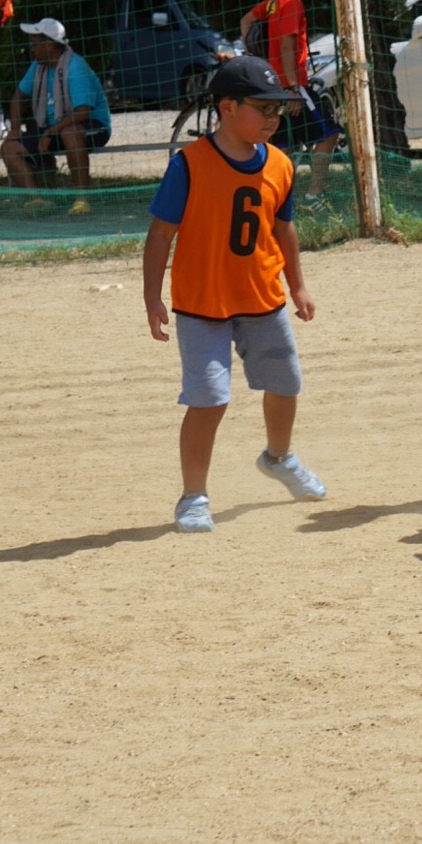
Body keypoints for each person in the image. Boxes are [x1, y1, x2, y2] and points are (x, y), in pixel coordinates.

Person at [142, 56, 327, 534]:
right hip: (202, 304)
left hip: (262, 298)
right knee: (208, 399)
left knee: (286, 383)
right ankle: (193, 497)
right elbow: (160, 234)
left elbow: (283, 229)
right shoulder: (189, 164)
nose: (273, 118)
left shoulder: (281, 164)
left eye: (277, 110)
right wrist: (152, 297)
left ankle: (279, 458)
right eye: (263, 108)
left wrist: (297, 284)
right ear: (227, 108)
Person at [238, 0, 343, 208]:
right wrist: (294, 88)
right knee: (329, 134)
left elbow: (246, 20)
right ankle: (314, 195)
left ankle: (274, 201)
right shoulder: (291, 1)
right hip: (291, 85)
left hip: (273, 84)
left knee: (283, 145)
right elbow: (287, 45)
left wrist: (257, 60)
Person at [1, 18, 111, 215]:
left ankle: (82, 200)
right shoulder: (38, 66)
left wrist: (51, 132)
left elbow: (82, 112)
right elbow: (18, 97)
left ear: (49, 44)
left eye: (35, 44)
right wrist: (15, 129)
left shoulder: (75, 66)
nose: (32, 49)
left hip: (92, 125)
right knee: (8, 147)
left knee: (70, 133)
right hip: (55, 128)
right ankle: (38, 200)